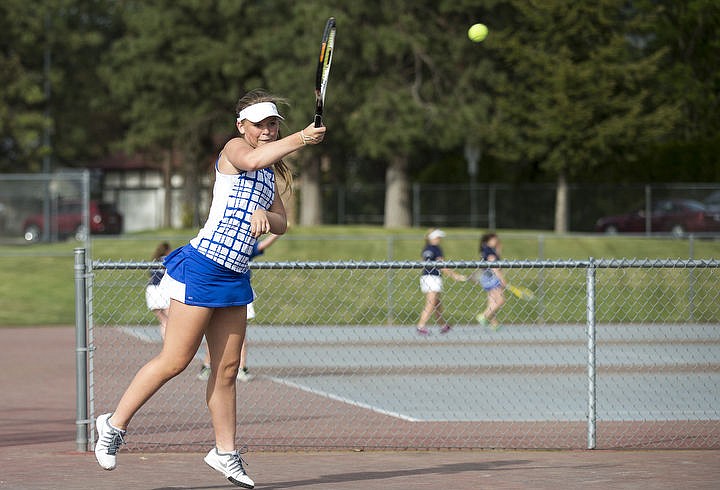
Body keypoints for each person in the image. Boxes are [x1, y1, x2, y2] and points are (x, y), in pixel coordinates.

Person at [94, 89, 326, 489]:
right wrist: (303, 137)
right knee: (176, 360)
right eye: (261, 124)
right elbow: (251, 158)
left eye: (273, 124)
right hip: (202, 268)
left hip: (235, 276)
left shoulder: (274, 173)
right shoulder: (235, 149)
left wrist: (267, 216)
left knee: (228, 370)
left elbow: (284, 223)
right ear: (242, 126)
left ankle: (224, 452)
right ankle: (113, 426)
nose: (269, 131)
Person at [197, 233, 281, 382]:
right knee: (216, 333)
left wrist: (277, 233)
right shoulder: (216, 245)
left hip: (239, 293)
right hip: (220, 292)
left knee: (239, 334)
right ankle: (208, 365)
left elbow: (261, 245)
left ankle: (240, 367)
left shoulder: (243, 245)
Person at [416, 229, 466, 335]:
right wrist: (454, 275)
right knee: (431, 302)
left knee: (437, 303)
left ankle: (443, 325)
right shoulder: (436, 249)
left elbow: (423, 261)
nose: (440, 239)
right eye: (438, 237)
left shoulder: (426, 249)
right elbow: (441, 265)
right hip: (432, 278)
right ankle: (421, 325)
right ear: (432, 238)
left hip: (426, 277)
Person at [476, 232, 506, 331]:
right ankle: (484, 315)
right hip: (492, 277)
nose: (496, 241)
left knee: (492, 301)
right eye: (494, 240)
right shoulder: (489, 251)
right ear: (488, 240)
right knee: (501, 300)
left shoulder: (486, 249)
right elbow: (494, 266)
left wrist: (498, 249)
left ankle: (494, 323)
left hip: (486, 277)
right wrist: (502, 279)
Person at [145, 242, 171, 338]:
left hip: (151, 290)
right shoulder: (167, 259)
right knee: (170, 320)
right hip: (162, 289)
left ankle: (167, 343)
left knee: (163, 321)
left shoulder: (154, 261)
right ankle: (169, 343)